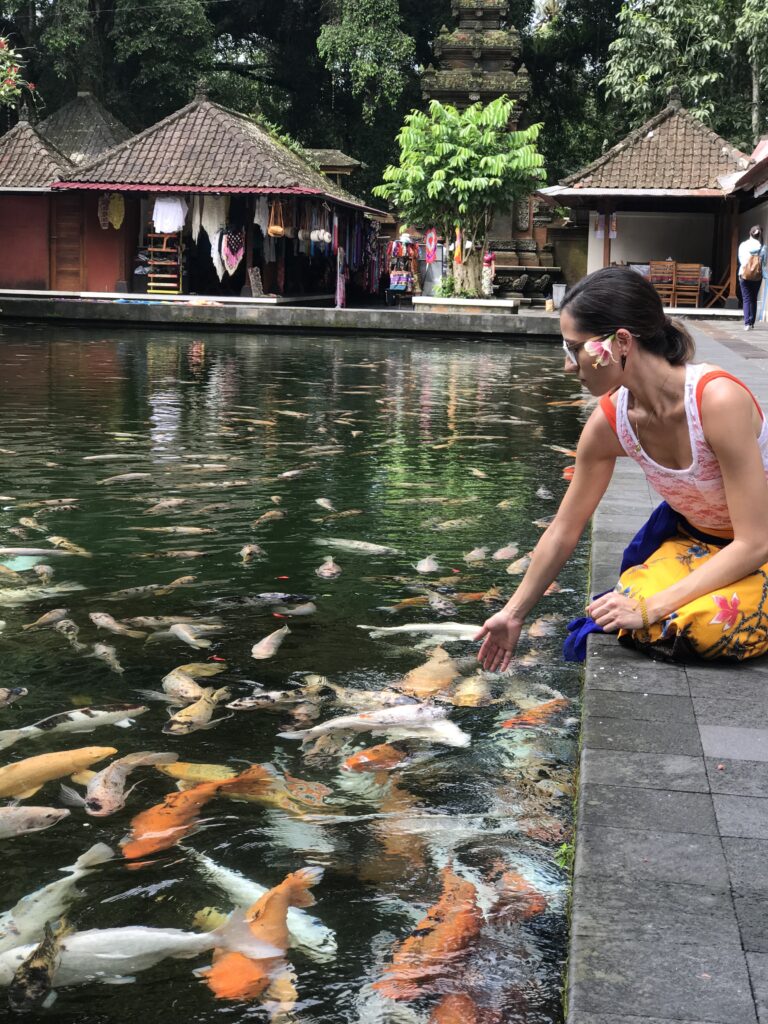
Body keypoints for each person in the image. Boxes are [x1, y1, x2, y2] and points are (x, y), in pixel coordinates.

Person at [475, 265, 768, 670]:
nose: (568, 366)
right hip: (696, 543)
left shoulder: (716, 402)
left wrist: (652, 607)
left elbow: (755, 542)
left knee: (704, 627)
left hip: (758, 546)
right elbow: (565, 528)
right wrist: (513, 613)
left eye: (573, 348)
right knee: (619, 609)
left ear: (621, 342)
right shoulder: (610, 423)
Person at [738, 225, 766, 331]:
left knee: (746, 298)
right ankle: (752, 322)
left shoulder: (743, 245)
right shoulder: (763, 247)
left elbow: (742, 261)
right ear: (760, 235)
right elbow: (763, 263)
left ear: (750, 233)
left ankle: (747, 323)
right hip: (757, 276)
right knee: (754, 298)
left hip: (744, 274)